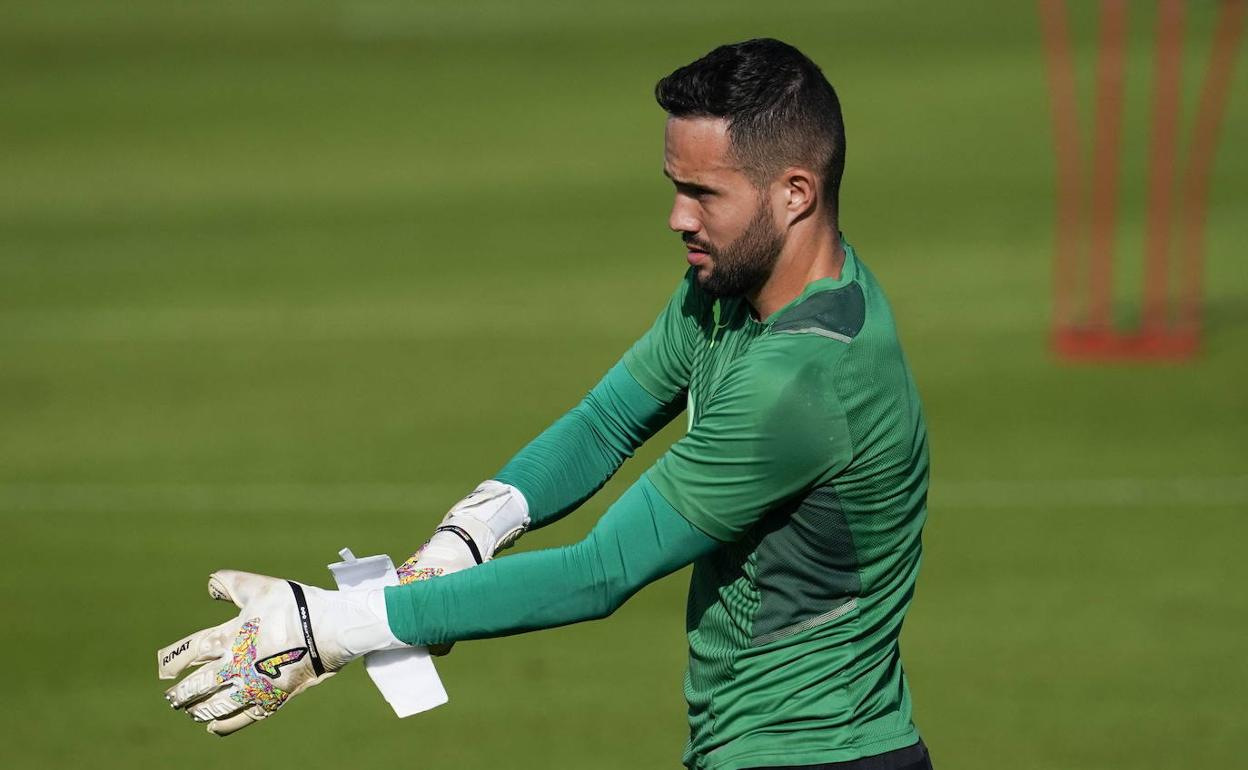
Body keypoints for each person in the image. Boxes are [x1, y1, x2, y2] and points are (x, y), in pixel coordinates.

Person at [157, 38, 933, 770]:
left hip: (817, 753)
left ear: (795, 193)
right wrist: (462, 542)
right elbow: (605, 423)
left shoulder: (801, 380)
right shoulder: (732, 290)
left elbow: (601, 572)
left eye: (704, 193)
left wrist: (331, 626)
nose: (678, 218)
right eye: (675, 187)